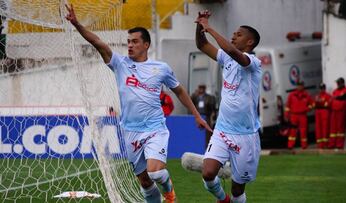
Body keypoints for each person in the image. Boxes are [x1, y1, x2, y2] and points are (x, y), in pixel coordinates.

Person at [65, 4, 212, 203]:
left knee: (156, 173)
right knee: (144, 182)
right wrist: (77, 24)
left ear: (146, 45)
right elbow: (98, 42)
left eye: (135, 41)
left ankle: (169, 193)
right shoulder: (120, 64)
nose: (130, 45)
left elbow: (179, 90)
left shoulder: (161, 68)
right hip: (130, 131)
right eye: (128, 42)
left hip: (155, 129)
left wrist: (195, 115)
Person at [195, 10, 262, 203]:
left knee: (238, 189)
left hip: (246, 135)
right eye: (233, 33)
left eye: (239, 34)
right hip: (223, 129)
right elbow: (202, 44)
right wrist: (200, 26)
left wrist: (210, 28)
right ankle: (223, 199)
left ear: (250, 42)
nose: (233, 36)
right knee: (208, 173)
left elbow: (233, 52)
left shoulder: (253, 63)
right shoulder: (226, 59)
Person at [284, 81, 314, 149]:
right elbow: (287, 106)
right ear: (297, 86)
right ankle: (290, 145)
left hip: (303, 115)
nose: (299, 87)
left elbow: (312, 104)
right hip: (294, 115)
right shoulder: (292, 95)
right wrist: (286, 115)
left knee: (303, 131)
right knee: (292, 131)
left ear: (303, 86)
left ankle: (304, 146)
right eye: (298, 85)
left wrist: (307, 109)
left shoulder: (306, 95)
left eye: (301, 85)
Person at [329, 77, 346, 149]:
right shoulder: (335, 91)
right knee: (333, 129)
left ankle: (339, 145)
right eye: (337, 83)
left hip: (341, 112)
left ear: (342, 83)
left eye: (338, 83)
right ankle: (332, 144)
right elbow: (331, 100)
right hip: (334, 112)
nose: (337, 84)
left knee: (340, 129)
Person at [314, 83, 332, 149]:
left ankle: (325, 144)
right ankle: (320, 145)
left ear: (325, 88)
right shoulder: (317, 96)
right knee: (318, 128)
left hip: (324, 112)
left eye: (323, 88)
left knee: (325, 128)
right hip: (318, 112)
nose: (321, 90)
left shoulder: (328, 96)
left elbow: (326, 105)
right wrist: (321, 104)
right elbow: (315, 104)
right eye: (321, 88)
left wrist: (320, 104)